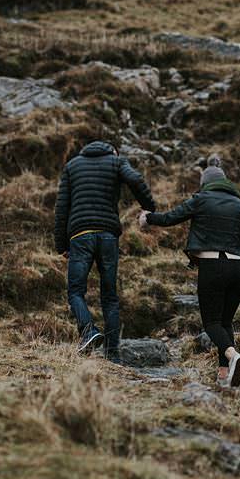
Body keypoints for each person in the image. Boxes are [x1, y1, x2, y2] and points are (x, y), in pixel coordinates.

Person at [138, 157, 240, 387]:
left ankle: (232, 356)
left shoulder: (200, 199)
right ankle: (223, 374)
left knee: (211, 323)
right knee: (225, 322)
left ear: (205, 183)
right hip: (239, 268)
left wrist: (148, 218)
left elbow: (171, 218)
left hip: (212, 267)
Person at [54, 140, 156, 363]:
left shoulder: (72, 165)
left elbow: (62, 207)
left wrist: (61, 245)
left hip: (80, 236)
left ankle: (88, 331)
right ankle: (112, 355)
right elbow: (136, 179)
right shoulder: (116, 161)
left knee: (75, 292)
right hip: (108, 235)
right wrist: (149, 208)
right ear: (113, 150)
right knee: (109, 297)